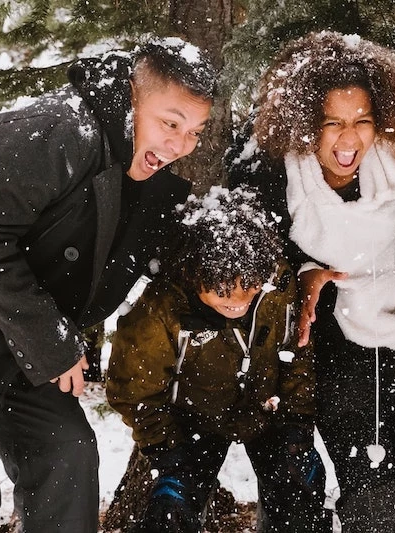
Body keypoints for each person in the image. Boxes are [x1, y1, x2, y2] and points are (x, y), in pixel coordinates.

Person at [0, 37, 216, 532]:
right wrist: (52, 343)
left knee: (67, 458)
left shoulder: (139, 168)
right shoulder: (58, 128)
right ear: (133, 98)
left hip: (4, 326)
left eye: (194, 132)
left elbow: (150, 257)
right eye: (170, 123)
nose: (181, 146)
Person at [227, 32, 395, 532]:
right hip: (333, 341)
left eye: (362, 122)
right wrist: (303, 271)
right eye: (331, 123)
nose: (349, 140)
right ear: (304, 122)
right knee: (364, 480)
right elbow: (251, 245)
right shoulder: (271, 172)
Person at [106, 185, 330, 533]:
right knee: (170, 513)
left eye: (250, 285)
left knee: (299, 495)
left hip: (266, 412)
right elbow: (133, 390)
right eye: (223, 289)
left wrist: (296, 427)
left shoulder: (277, 285)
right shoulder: (161, 309)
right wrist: (167, 448)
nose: (239, 298)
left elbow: (295, 354)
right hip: (192, 423)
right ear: (194, 271)